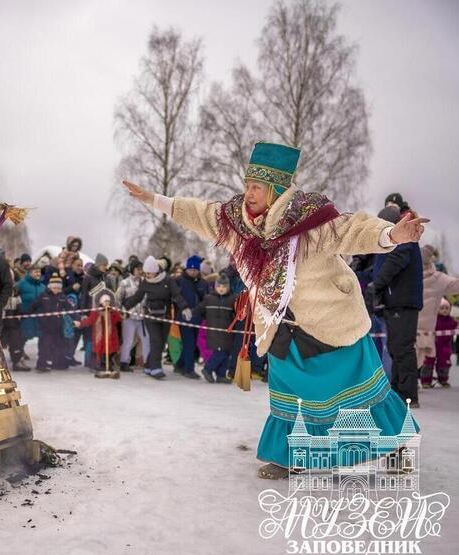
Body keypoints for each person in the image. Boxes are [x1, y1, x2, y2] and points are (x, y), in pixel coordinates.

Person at [124, 141, 426, 479]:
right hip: (280, 324)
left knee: (361, 392)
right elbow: (199, 212)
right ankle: (289, 456)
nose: (249, 193)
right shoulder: (237, 222)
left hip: (330, 319)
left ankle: (398, 445)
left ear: (276, 189)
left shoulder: (312, 218)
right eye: (247, 185)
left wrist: (392, 233)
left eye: (256, 187)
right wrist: (154, 199)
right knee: (288, 395)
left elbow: (352, 229)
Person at [372, 206, 424, 407]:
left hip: (403, 302)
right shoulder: (396, 240)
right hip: (396, 302)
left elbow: (394, 262)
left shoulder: (404, 240)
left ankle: (408, 395)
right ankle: (397, 392)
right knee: (395, 348)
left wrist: (376, 285)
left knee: (402, 349)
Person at [123, 256, 191, 380]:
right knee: (156, 342)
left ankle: (149, 365)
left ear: (155, 270)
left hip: (165, 316)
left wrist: (184, 307)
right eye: (145, 273)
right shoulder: (145, 282)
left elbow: (176, 295)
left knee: (161, 343)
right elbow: (137, 297)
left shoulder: (168, 280)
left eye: (148, 273)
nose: (146, 275)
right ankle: (156, 368)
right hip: (150, 316)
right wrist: (125, 307)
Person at [415, 244, 459, 385]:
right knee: (420, 359)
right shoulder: (439, 278)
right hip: (426, 331)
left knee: (408, 362)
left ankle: (408, 390)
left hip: (408, 328)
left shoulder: (407, 275)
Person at [194, 273, 237, 384]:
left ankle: (221, 375)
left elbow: (236, 314)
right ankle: (208, 369)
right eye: (219, 286)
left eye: (224, 287)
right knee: (220, 353)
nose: (221, 289)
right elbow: (200, 310)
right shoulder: (209, 298)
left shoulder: (233, 299)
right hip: (213, 331)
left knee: (226, 353)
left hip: (227, 332)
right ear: (215, 286)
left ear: (228, 287)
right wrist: (191, 314)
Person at [30, 276, 72, 372]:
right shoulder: (43, 295)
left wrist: (77, 318)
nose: (56, 290)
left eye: (58, 288)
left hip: (58, 325)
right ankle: (41, 364)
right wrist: (27, 314)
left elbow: (70, 309)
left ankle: (58, 363)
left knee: (59, 345)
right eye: (54, 288)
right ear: (50, 287)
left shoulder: (62, 297)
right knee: (45, 345)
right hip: (46, 326)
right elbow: (34, 306)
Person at [176, 255, 208, 379]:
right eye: (191, 270)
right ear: (187, 269)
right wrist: (183, 308)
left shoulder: (203, 283)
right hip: (184, 317)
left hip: (197, 318)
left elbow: (205, 298)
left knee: (192, 344)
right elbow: (176, 296)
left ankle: (179, 365)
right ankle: (188, 369)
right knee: (189, 343)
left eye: (195, 270)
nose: (193, 272)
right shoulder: (179, 281)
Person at [76, 293, 122, 379]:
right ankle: (100, 365)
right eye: (105, 301)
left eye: (108, 301)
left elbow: (118, 319)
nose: (107, 303)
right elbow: (90, 320)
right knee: (101, 351)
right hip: (100, 337)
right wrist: (81, 324)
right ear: (101, 302)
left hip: (111, 336)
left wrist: (118, 314)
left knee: (110, 351)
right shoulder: (96, 311)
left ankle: (109, 366)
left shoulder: (112, 311)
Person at [115, 259, 150, 372]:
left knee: (146, 339)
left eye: (141, 269)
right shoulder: (125, 283)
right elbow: (117, 299)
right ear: (132, 270)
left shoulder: (145, 282)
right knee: (128, 340)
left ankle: (148, 362)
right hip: (129, 317)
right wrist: (121, 312)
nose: (140, 271)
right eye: (138, 269)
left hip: (142, 317)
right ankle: (124, 362)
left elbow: (148, 298)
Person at [80, 253, 109, 369]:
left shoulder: (103, 277)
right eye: (104, 265)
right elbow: (83, 296)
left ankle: (98, 360)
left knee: (99, 336)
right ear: (98, 265)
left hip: (101, 311)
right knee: (90, 338)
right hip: (90, 310)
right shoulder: (88, 277)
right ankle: (90, 361)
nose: (106, 267)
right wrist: (83, 313)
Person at [421, 298, 457, 388]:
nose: (444, 310)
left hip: (445, 346)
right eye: (442, 308)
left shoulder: (452, 321)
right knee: (428, 362)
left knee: (444, 362)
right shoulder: (433, 320)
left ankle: (443, 379)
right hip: (431, 344)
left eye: (446, 308)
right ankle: (426, 381)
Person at [16, 265, 45, 346]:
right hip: (25, 315)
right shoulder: (21, 284)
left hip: (39, 317)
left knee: (42, 336)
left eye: (39, 272)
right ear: (29, 273)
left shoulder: (43, 287)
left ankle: (42, 357)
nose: (38, 274)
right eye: (35, 272)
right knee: (22, 336)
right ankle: (19, 354)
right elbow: (14, 295)